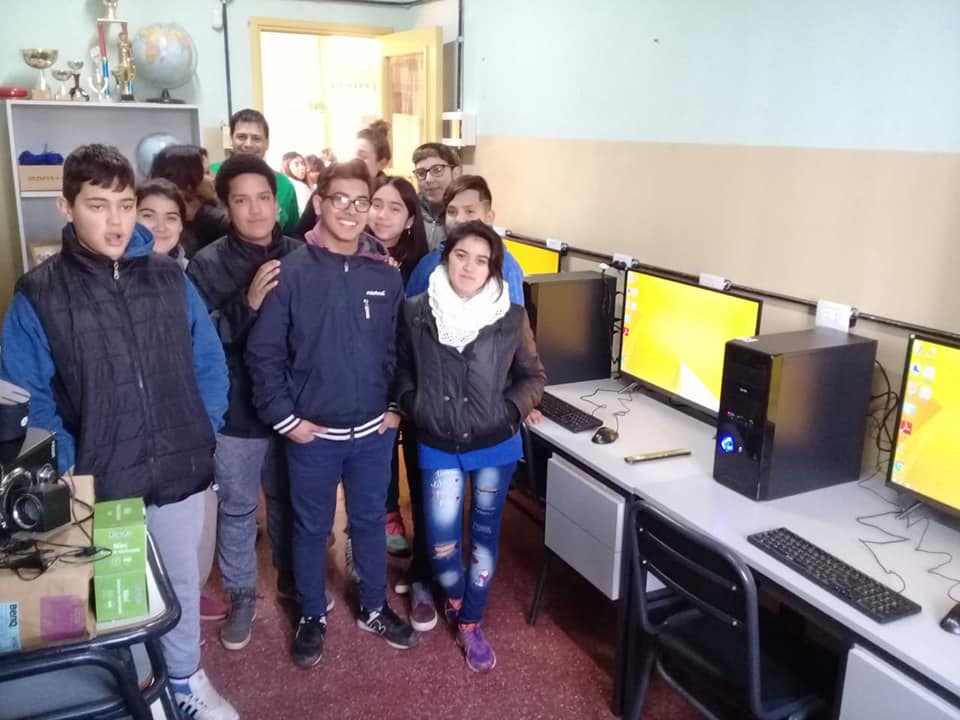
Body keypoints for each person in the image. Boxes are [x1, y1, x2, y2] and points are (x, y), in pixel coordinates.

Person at [0, 144, 237, 719]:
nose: (115, 221)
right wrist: (73, 469)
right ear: (66, 207)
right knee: (117, 597)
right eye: (97, 205)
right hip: (100, 481)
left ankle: (185, 680)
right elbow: (29, 397)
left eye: (126, 205)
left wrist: (201, 428)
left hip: (178, 466)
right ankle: (142, 694)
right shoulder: (40, 293)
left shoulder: (169, 279)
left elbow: (208, 362)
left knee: (180, 584)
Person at [246, 159, 418, 668]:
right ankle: (310, 614)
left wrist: (395, 407)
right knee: (310, 527)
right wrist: (287, 420)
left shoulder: (384, 275)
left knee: (369, 523)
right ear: (319, 204)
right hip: (312, 435)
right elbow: (264, 354)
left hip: (373, 434)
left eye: (362, 201)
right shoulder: (290, 272)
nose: (351, 210)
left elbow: (399, 349)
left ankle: (373, 607)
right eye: (339, 199)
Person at [396, 220, 546, 672]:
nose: (470, 267)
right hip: (438, 441)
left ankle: (470, 622)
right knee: (441, 544)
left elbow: (533, 376)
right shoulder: (416, 311)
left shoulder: (511, 317)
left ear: (493, 268)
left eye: (482, 260)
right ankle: (458, 597)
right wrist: (413, 404)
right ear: (446, 258)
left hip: (495, 445)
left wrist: (508, 412)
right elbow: (400, 369)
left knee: (484, 536)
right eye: (462, 255)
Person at [187, 154, 304, 653]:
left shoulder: (301, 256)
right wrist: (247, 304)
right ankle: (240, 594)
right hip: (236, 410)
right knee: (237, 508)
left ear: (277, 203)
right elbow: (198, 342)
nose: (255, 210)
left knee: (288, 498)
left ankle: (291, 580)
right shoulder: (207, 263)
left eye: (263, 198)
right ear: (226, 206)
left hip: (293, 406)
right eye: (241, 200)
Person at [136, 176, 227, 622]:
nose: (160, 226)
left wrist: (206, 425)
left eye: (170, 217)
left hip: (187, 429)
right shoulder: (109, 279)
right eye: (147, 215)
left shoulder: (186, 276)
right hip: (131, 433)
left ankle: (186, 589)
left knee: (196, 528)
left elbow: (210, 359)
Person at [366, 176, 436, 624]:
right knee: (375, 464)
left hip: (416, 382)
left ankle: (426, 571)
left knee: (421, 465)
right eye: (376, 204)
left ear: (411, 219)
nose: (382, 215)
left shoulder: (423, 266)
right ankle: (386, 515)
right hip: (371, 382)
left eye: (395, 208)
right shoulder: (353, 254)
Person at [406, 175, 525, 305]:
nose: (459, 219)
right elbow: (410, 309)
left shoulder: (506, 266)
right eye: (452, 212)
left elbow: (514, 315)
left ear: (488, 218)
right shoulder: (428, 263)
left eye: (469, 211)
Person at [211, 108, 299, 235]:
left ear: (267, 143)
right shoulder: (210, 175)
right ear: (231, 139)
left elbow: (292, 234)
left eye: (256, 138)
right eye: (241, 137)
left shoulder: (284, 185)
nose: (248, 144)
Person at [150, 144, 230, 258]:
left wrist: (203, 212)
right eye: (207, 172)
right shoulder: (174, 234)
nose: (214, 177)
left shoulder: (213, 207)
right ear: (186, 183)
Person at [411, 143, 462, 250]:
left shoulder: (466, 214)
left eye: (437, 170)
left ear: (456, 173)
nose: (428, 180)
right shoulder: (410, 210)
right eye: (421, 173)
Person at [136, 177, 188, 268]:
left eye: (171, 218)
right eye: (148, 216)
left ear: (181, 225)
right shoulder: (113, 271)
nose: (161, 228)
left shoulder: (192, 271)